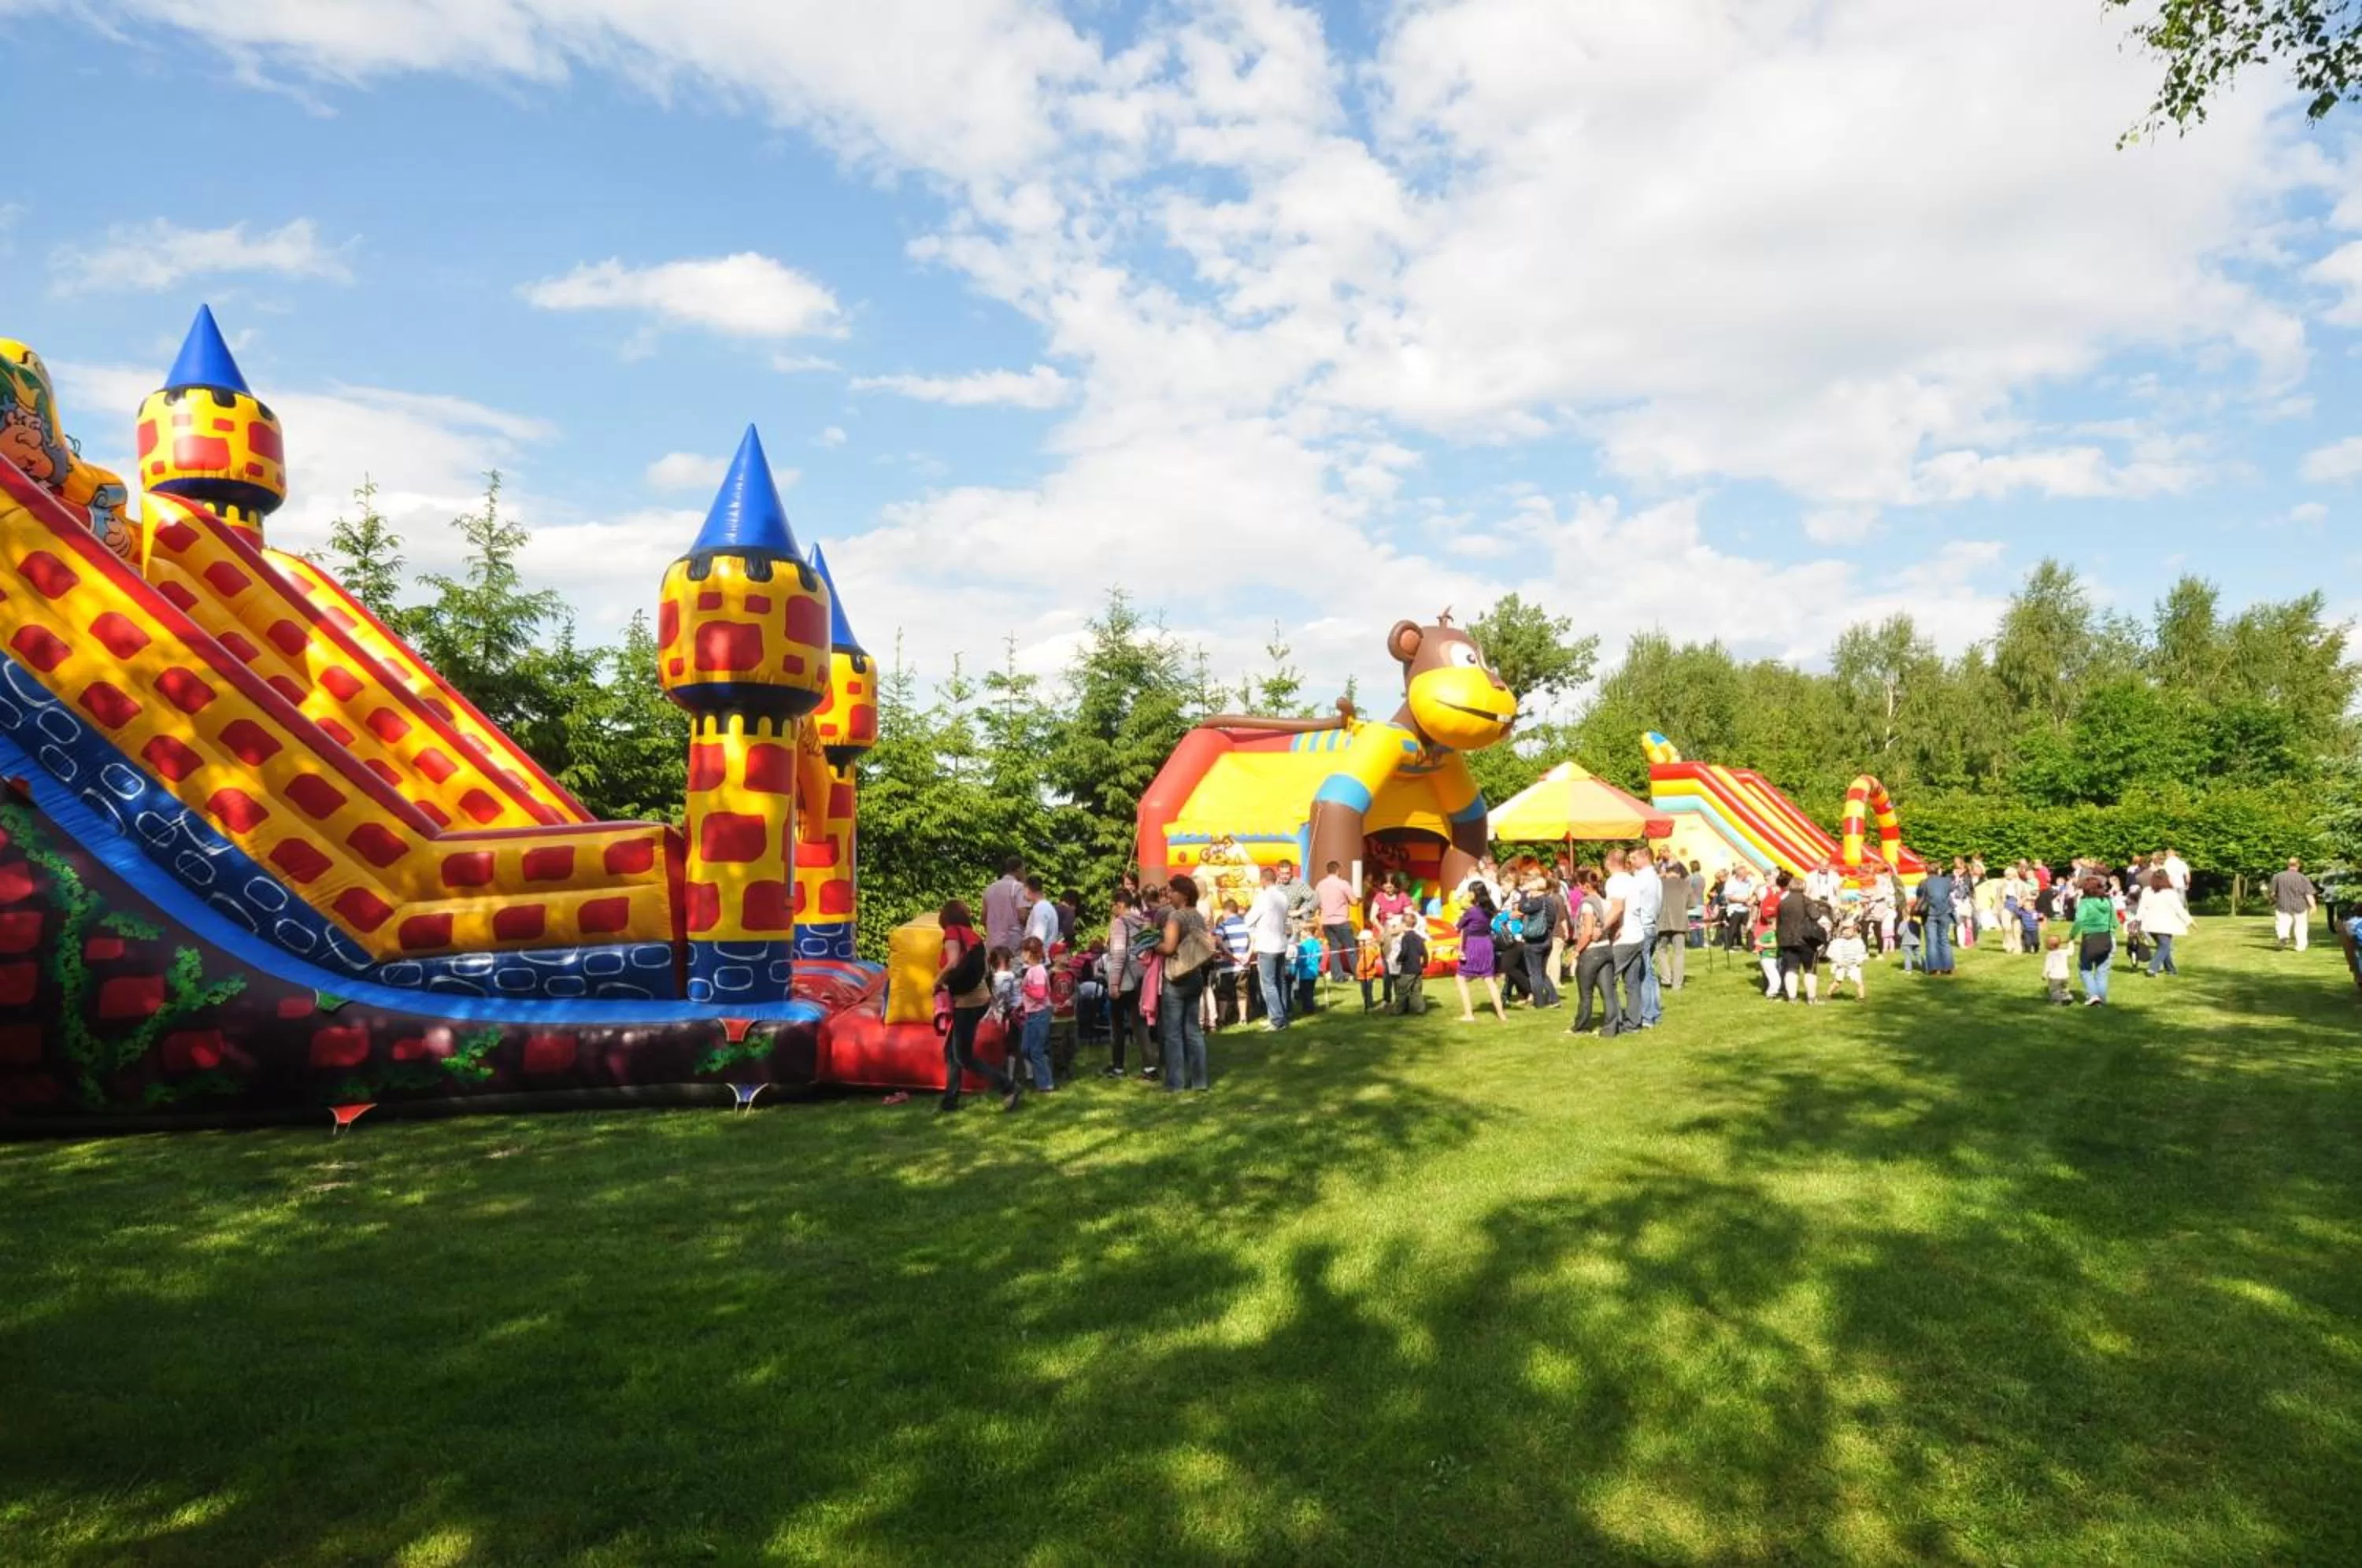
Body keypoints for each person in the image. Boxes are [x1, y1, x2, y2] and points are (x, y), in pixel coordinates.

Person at [936, 900, 1022, 1114]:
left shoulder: (952, 932)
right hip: (979, 997)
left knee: (964, 1057)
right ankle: (950, 1101)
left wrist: (937, 981)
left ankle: (1008, 1086)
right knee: (951, 1052)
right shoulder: (972, 935)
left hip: (967, 1001)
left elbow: (954, 961)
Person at [1154, 876, 1216, 1092]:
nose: (1169, 895)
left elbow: (1169, 948)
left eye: (1172, 892)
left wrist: (1154, 944)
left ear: (1184, 894)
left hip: (1176, 978)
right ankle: (1200, 1081)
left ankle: (1176, 1083)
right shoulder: (1198, 916)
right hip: (1196, 976)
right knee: (1194, 1031)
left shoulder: (1176, 916)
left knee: (1173, 1034)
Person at [1566, 871, 1617, 1036]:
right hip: (1606, 947)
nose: (1578, 889)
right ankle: (1611, 1027)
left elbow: (1587, 932)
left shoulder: (1587, 904)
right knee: (1608, 992)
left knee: (1586, 993)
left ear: (1585, 885)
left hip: (1591, 951)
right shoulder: (1606, 902)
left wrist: (1576, 950)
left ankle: (1582, 1026)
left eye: (1579, 885)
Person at [1620, 844, 1664, 1031]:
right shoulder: (1654, 878)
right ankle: (1653, 1011)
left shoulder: (1642, 878)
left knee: (1642, 973)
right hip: (1652, 925)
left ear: (1645, 857)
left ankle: (1646, 1015)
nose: (1631, 861)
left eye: (1634, 858)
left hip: (1643, 926)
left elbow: (1632, 901)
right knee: (1649, 971)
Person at [1104, 893, 1146, 1078]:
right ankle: (1150, 1067)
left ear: (1121, 904)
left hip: (1124, 979)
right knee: (1140, 1024)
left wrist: (1114, 983)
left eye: (1113, 905)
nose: (1112, 909)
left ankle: (1118, 1066)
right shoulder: (1142, 922)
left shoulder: (1120, 923)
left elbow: (1119, 954)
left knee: (1117, 1024)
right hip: (1141, 975)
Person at [1246, 865, 1294, 1030]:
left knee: (1268, 984)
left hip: (1267, 944)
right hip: (1281, 943)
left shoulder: (1263, 897)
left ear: (1264, 881)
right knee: (1280, 982)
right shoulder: (1283, 896)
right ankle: (1280, 1014)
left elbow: (1249, 919)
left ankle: (1277, 1020)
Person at [1454, 884, 1509, 1022]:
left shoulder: (1471, 911)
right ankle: (1501, 1015)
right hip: (1487, 944)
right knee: (1490, 980)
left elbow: (1458, 926)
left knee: (1460, 978)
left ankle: (1469, 1014)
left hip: (1473, 945)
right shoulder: (1489, 910)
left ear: (1473, 894)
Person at [1775, 869, 1820, 1004]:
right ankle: (1811, 998)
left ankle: (1792, 998)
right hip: (1806, 940)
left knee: (1791, 968)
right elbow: (1815, 916)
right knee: (1810, 969)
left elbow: (1779, 922)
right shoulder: (1807, 901)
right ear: (1803, 887)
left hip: (1787, 940)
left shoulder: (1783, 902)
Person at [2071, 875, 2119, 1006]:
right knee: (2102, 972)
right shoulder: (2108, 902)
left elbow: (2079, 920)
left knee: (2085, 968)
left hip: (2090, 939)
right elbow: (2115, 922)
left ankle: (2093, 996)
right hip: (2108, 938)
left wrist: (2071, 936)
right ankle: (2102, 1002)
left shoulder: (2085, 902)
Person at [1016, 936, 1056, 1091]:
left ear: (1028, 953)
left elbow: (1040, 994)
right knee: (1026, 1048)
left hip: (1040, 1014)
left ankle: (1046, 1084)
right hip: (1032, 1013)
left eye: (1022, 951)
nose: (1021, 955)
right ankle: (1044, 1074)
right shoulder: (1032, 970)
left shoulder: (1037, 971)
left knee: (1036, 1051)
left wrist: (1024, 988)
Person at [1517, 873, 1561, 1008]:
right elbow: (1553, 920)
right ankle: (1554, 999)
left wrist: (1524, 894)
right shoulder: (1550, 901)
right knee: (1542, 972)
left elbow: (1522, 908)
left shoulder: (1537, 903)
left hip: (1534, 942)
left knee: (1534, 973)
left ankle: (1539, 1002)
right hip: (1547, 940)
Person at [2136, 869, 2189, 977]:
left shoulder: (2147, 891)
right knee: (2165, 946)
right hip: (2164, 925)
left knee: (2164, 946)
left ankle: (2171, 969)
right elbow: (2179, 909)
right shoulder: (2170, 893)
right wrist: (2189, 921)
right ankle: (2152, 968)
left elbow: (2142, 907)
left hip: (2149, 925)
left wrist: (2138, 919)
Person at [1212, 897, 1253, 1026]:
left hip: (1227, 965)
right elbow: (1254, 939)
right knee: (1242, 992)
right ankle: (1243, 1018)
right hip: (1243, 964)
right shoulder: (1245, 924)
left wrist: (1229, 954)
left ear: (1226, 911)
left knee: (1224, 993)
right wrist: (1248, 954)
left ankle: (1223, 1019)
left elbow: (1217, 940)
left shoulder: (1223, 925)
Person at [1314, 860, 1356, 982]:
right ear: (1338, 871)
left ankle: (1337, 976)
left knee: (1334, 949)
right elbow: (1353, 901)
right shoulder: (1343, 884)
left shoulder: (1320, 884)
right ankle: (1358, 974)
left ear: (1327, 871)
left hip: (1326, 921)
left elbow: (1316, 902)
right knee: (1351, 949)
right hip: (1341, 921)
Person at [1656, 855, 1691, 993]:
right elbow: (1691, 904)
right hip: (1680, 922)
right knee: (1679, 952)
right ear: (1678, 872)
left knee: (1661, 950)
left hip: (1662, 921)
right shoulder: (1685, 884)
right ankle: (1677, 984)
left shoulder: (1660, 883)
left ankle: (1666, 978)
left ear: (1668, 872)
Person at [982, 857, 1027, 960]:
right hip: (1012, 943)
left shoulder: (989, 888)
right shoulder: (1019, 887)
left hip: (992, 942)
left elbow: (983, 919)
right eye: (1024, 869)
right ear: (1018, 869)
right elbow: (1022, 916)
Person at [1917, 863, 1957, 975]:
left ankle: (1934, 968)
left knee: (1931, 941)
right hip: (1945, 912)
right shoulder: (1946, 881)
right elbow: (1951, 890)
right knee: (1944, 939)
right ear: (1938, 871)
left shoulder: (1923, 883)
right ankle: (1948, 966)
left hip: (1929, 914)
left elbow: (1919, 896)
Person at [2271, 857, 2318, 951]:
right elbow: (2308, 894)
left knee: (2282, 923)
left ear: (2288, 865)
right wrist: (2313, 906)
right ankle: (2301, 946)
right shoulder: (2303, 878)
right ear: (2298, 865)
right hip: (2300, 905)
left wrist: (2273, 899)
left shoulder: (2277, 876)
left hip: (2283, 904)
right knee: (2301, 925)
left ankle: (2283, 936)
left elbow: (2273, 893)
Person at [1392, 915, 1429, 1015]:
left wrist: (1398, 959)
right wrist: (1425, 963)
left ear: (1404, 924)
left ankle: (1398, 1010)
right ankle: (1420, 1009)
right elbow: (1424, 952)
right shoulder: (1419, 938)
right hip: (1417, 968)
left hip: (1407, 968)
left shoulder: (1406, 938)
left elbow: (1404, 951)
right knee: (1417, 991)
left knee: (1402, 990)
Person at [1825, 920, 1868, 1000]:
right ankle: (1828, 994)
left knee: (1859, 982)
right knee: (1838, 981)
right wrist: (1837, 961)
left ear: (1854, 932)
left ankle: (1862, 997)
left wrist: (1859, 960)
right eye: (1845, 930)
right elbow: (1830, 953)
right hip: (1841, 965)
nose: (1847, 932)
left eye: (1850, 931)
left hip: (1854, 965)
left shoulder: (1859, 942)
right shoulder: (1837, 942)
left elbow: (1862, 953)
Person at [1355, 923, 1387, 1011]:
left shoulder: (1369, 950)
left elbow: (1366, 963)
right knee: (1365, 992)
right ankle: (1368, 1004)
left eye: (1361, 941)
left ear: (1368, 941)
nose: (1359, 943)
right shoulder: (1364, 949)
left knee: (1366, 992)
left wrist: (1361, 969)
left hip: (1367, 975)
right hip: (1363, 975)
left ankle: (1369, 1005)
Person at [1279, 860, 1317, 930]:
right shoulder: (1276, 885)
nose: (1284, 876)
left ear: (1291, 872)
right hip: (1277, 924)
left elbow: (1316, 898)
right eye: (1282, 873)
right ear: (1278, 872)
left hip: (1293, 925)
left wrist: (1300, 911)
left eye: (1287, 873)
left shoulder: (1299, 885)